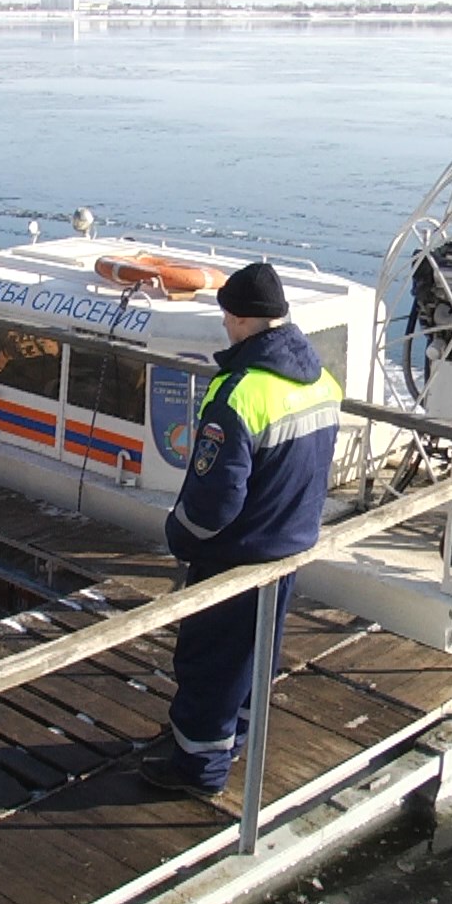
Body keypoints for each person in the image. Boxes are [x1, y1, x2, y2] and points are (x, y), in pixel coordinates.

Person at [142, 262, 342, 798]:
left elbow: (212, 504)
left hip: (236, 557)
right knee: (256, 657)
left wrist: (178, 538)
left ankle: (199, 769)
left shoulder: (237, 395)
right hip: (290, 548)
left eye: (226, 315)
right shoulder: (322, 381)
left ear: (239, 319)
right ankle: (233, 741)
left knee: (209, 661)